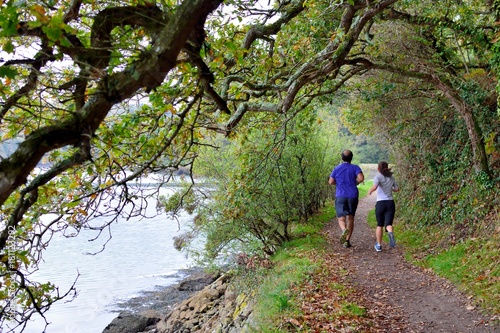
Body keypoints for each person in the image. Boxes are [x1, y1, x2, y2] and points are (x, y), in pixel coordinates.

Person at [329, 150, 364, 248]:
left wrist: (339, 183)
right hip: (352, 195)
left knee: (341, 218)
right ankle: (347, 241)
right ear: (351, 158)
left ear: (342, 158)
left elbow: (331, 182)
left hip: (340, 195)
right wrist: (355, 183)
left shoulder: (337, 168)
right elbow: (361, 178)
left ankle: (344, 230)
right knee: (351, 218)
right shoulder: (355, 167)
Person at [368, 161, 399, 252]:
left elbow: (375, 186)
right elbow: (397, 189)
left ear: (378, 168)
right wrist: (390, 189)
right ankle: (390, 232)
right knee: (388, 223)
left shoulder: (378, 176)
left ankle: (379, 245)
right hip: (390, 203)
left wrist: (370, 191)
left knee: (380, 224)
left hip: (381, 203)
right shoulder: (391, 177)